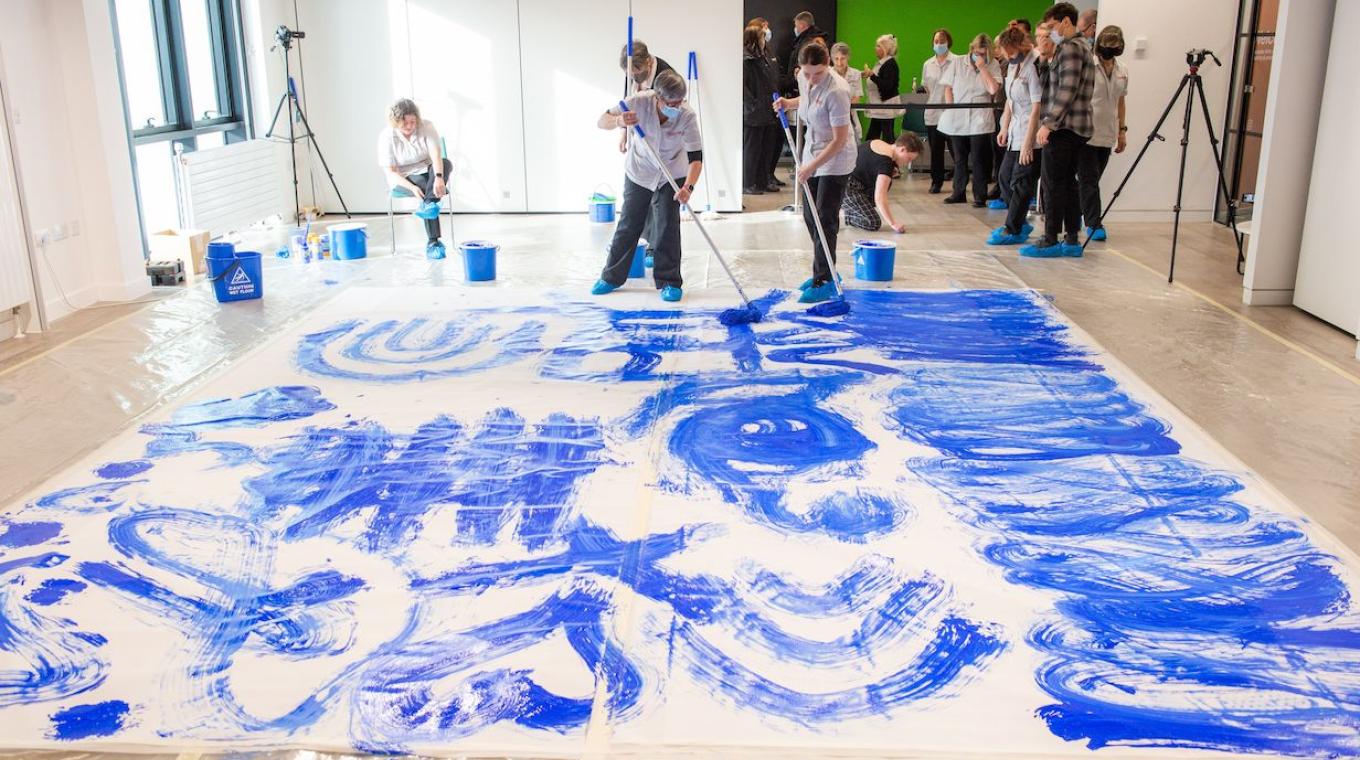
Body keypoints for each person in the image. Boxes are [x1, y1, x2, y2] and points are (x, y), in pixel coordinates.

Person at [592, 70, 702, 302]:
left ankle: (670, 281)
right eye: (670, 102)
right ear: (657, 98)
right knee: (630, 223)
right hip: (640, 170)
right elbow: (602, 121)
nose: (675, 106)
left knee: (667, 226)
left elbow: (696, 158)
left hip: (673, 172)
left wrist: (688, 188)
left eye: (679, 101)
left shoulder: (687, 115)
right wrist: (620, 121)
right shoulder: (638, 102)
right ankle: (611, 277)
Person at [774, 43, 856, 303]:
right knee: (811, 216)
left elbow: (839, 140)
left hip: (835, 158)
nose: (811, 79)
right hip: (813, 151)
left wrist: (811, 167)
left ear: (828, 65)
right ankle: (828, 269)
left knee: (825, 218)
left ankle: (824, 279)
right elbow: (808, 100)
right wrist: (789, 103)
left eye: (817, 74)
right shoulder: (803, 77)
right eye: (807, 73)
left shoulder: (838, 91)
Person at [1023, 2, 1096, 258]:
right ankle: (1072, 237)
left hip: (1064, 128)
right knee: (1068, 184)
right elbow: (1053, 87)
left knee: (1054, 184)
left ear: (1066, 21)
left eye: (1053, 27)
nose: (1051, 33)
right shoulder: (1081, 47)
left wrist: (1047, 124)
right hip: (1075, 127)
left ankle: (1050, 238)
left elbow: (1066, 90)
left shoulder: (1070, 48)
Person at [988, 25, 1044, 246]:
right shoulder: (1013, 66)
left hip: (1031, 135)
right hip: (1014, 132)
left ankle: (1013, 228)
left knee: (1021, 183)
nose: (1008, 57)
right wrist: (1004, 127)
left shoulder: (1035, 65)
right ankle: (1019, 220)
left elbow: (1036, 107)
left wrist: (1028, 144)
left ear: (1022, 45)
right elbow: (1010, 100)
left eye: (1010, 52)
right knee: (1004, 178)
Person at [377, 98, 451, 259]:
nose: (410, 126)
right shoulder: (386, 137)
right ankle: (433, 242)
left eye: (413, 121)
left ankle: (429, 204)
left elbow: (436, 155)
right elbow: (391, 172)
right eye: (405, 123)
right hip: (403, 177)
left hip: (428, 170)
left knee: (445, 164)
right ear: (395, 122)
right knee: (426, 187)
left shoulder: (426, 126)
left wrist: (439, 178)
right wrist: (411, 187)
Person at [1078, 25, 1129, 241]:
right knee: (1088, 180)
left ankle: (1077, 212)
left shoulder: (1122, 70)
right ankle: (1093, 222)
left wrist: (1122, 131)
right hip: (1086, 132)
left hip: (1108, 133)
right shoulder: (1088, 65)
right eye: (1107, 46)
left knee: (1092, 179)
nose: (1110, 51)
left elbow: (1120, 101)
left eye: (1114, 46)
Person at [939, 33, 1001, 207]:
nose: (978, 56)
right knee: (960, 158)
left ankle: (980, 196)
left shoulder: (993, 65)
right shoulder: (958, 62)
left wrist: (983, 68)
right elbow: (948, 88)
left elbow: (992, 89)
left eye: (983, 54)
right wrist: (951, 108)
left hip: (980, 118)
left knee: (979, 158)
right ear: (971, 49)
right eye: (976, 53)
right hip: (958, 115)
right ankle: (958, 192)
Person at [843, 132, 923, 232]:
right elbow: (880, 197)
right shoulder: (886, 163)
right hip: (846, 188)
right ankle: (849, 217)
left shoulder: (878, 143)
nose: (908, 163)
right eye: (909, 158)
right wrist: (893, 223)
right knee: (872, 223)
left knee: (886, 183)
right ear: (902, 149)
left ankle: (851, 207)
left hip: (849, 181)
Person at [744, 25, 781, 194]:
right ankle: (748, 183)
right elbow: (745, 90)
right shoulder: (746, 60)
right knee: (751, 149)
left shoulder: (763, 57)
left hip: (767, 111)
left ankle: (761, 181)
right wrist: (753, 107)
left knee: (764, 149)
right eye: (761, 37)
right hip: (754, 113)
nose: (764, 40)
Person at [921, 29, 957, 194]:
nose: (938, 44)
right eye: (936, 41)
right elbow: (927, 87)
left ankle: (960, 181)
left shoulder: (957, 61)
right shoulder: (928, 64)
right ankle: (937, 182)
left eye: (942, 41)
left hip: (951, 112)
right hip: (933, 112)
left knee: (957, 149)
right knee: (936, 150)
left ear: (948, 42)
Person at [862, 35, 900, 142]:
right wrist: (867, 74)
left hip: (885, 109)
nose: (875, 48)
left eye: (878, 46)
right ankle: (870, 156)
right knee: (872, 137)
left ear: (885, 49)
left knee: (886, 138)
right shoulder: (880, 63)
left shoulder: (890, 64)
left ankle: (889, 158)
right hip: (878, 108)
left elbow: (887, 86)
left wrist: (872, 75)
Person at [784, 11, 830, 94]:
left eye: (796, 25)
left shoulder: (810, 41)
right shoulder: (804, 40)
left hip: (806, 87)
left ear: (802, 25)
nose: (795, 28)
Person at [830, 42, 865, 141]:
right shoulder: (828, 75)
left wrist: (843, 106)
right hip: (832, 119)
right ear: (832, 59)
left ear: (848, 57)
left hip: (851, 118)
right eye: (836, 59)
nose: (839, 63)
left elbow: (857, 97)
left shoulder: (856, 74)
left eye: (842, 59)